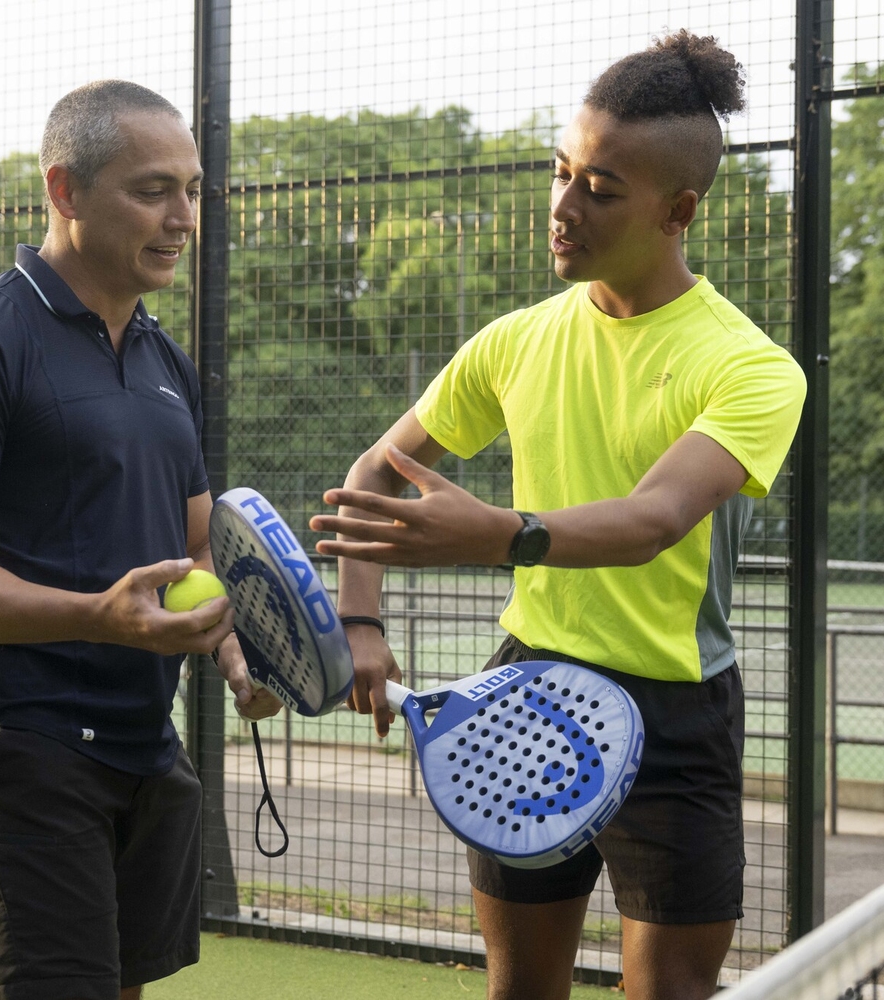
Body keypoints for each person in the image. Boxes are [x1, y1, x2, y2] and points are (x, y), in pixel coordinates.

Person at [308, 32, 807, 1000]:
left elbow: (655, 518)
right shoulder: (516, 340)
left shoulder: (750, 366)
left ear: (678, 211)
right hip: (524, 696)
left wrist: (500, 534)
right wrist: (359, 621)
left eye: (601, 189)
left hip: (675, 714)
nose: (564, 206)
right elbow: (376, 471)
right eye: (560, 171)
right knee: (521, 989)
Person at [0, 80, 280, 1000]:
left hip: (144, 738)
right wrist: (97, 617)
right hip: (20, 738)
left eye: (191, 190)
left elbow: (198, 549)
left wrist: (239, 650)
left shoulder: (163, 358)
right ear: (64, 190)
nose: (183, 219)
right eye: (152, 191)